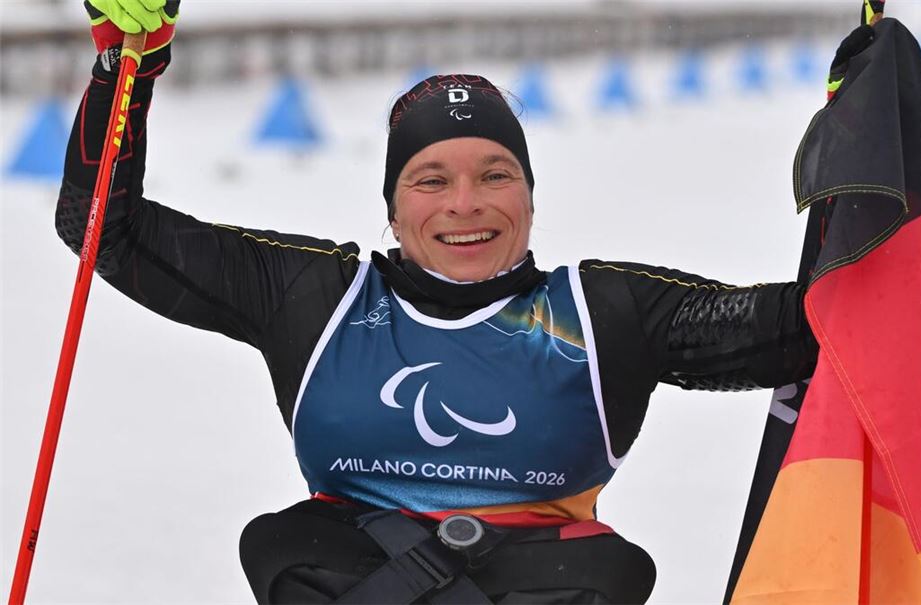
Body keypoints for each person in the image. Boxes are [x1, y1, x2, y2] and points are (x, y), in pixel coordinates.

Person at [58, 1, 819, 602]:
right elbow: (104, 227)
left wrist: (862, 156)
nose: (466, 204)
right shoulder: (319, 297)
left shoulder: (601, 312)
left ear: (528, 194)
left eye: (495, 174)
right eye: (431, 180)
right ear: (392, 205)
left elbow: (816, 326)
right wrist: (126, 67)